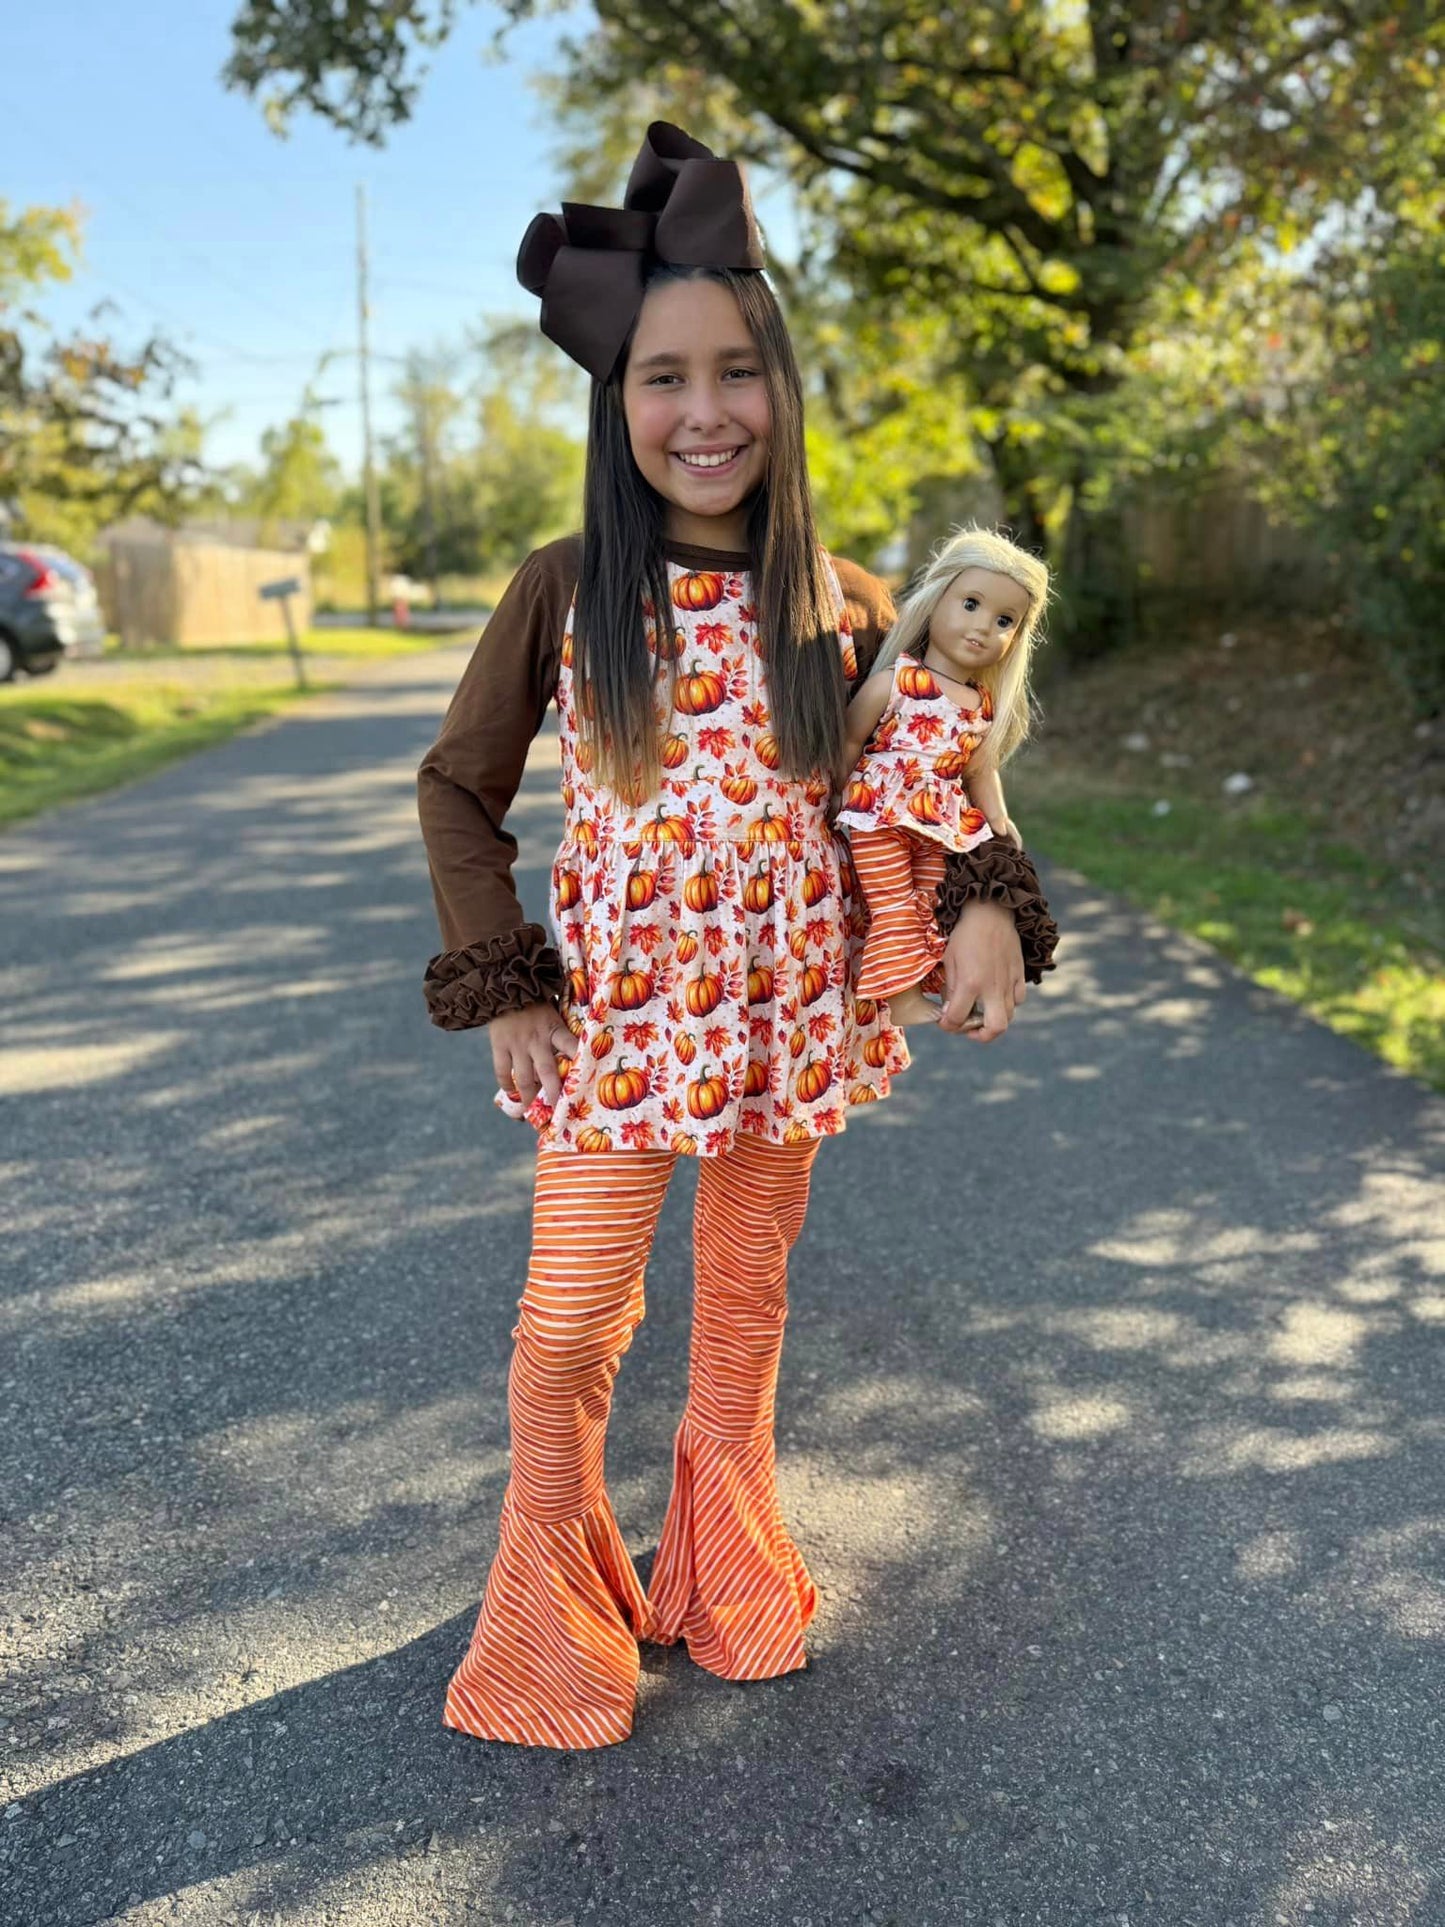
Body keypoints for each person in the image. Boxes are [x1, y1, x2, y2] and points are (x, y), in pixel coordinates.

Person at [416, 122, 1058, 1750]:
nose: (703, 413)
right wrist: (505, 985)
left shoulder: (841, 604)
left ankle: (728, 1562)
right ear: (613, 406)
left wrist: (985, 904)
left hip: (786, 1026)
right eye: (660, 380)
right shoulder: (565, 587)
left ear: (781, 390)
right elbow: (457, 789)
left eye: (735, 374)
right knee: (569, 1319)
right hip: (618, 1032)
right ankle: (550, 1594)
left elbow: (936, 768)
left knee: (743, 1301)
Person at [834, 527, 1051, 1026]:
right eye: (970, 604)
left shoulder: (982, 707)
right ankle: (900, 998)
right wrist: (835, 793)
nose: (982, 628)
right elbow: (850, 740)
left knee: (936, 906)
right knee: (891, 903)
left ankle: (944, 982)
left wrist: (997, 815)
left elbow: (980, 768)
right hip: (881, 814)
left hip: (940, 824)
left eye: (1004, 620)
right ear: (936, 601)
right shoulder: (897, 682)